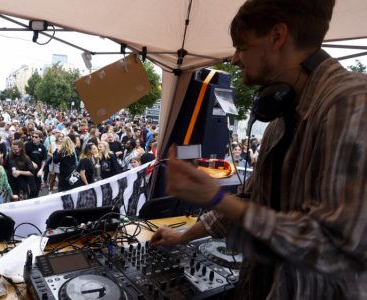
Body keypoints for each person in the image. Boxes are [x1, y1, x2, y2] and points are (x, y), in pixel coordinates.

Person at [150, 1, 367, 299]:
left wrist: (216, 198)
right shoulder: (281, 121)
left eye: (242, 46)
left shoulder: (352, 103)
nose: (235, 58)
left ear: (277, 37)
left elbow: (336, 245)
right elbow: (252, 199)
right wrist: (184, 235)